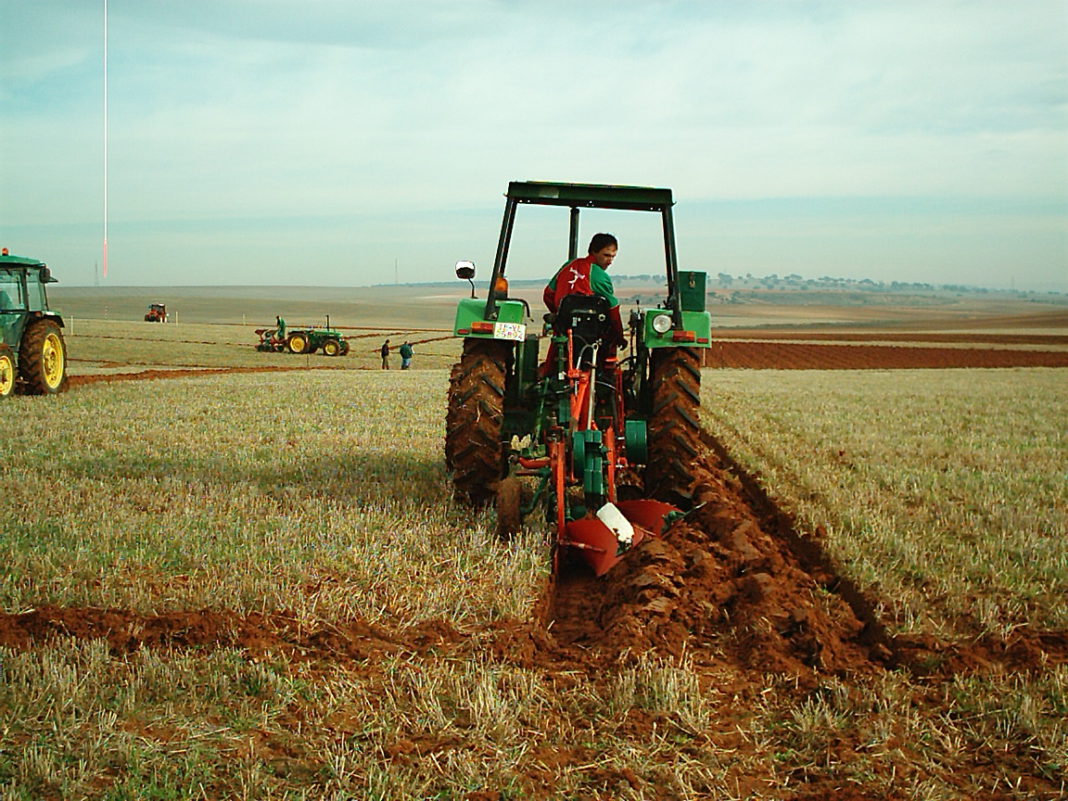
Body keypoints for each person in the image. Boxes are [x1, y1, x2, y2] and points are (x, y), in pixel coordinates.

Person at [543, 233, 627, 351]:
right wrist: (619, 336)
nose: (610, 261)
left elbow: (548, 294)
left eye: (613, 257)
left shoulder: (569, 265)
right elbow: (613, 309)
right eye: (606, 255)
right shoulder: (600, 276)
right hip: (590, 334)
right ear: (594, 251)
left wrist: (560, 315)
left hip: (564, 332)